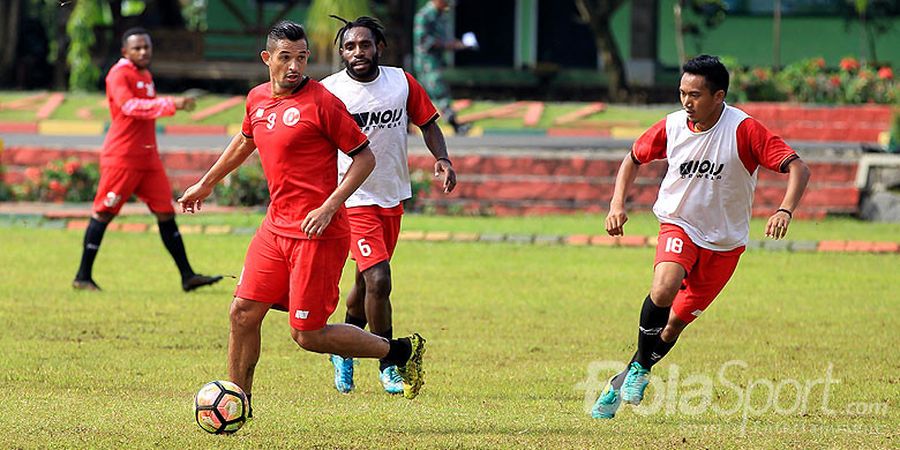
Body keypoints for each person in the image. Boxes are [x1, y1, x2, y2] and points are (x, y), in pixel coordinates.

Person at [177, 21, 427, 411]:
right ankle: (236, 404)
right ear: (267, 59)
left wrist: (330, 206)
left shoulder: (323, 102)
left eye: (302, 58)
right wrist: (207, 182)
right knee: (243, 312)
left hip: (318, 233)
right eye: (285, 58)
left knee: (307, 333)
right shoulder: (257, 99)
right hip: (275, 229)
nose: (294, 66)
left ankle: (397, 351)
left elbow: (365, 157)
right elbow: (246, 140)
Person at [591, 54, 811, 419]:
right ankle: (638, 374)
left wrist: (785, 209)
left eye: (695, 95)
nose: (686, 102)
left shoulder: (745, 130)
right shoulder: (672, 126)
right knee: (663, 287)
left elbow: (798, 168)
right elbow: (632, 158)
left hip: (725, 243)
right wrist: (617, 204)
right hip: (680, 223)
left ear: (719, 96)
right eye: (682, 93)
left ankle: (633, 372)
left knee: (674, 324)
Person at [320, 16, 457, 395]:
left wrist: (442, 158)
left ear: (379, 47)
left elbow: (427, 122)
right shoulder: (330, 91)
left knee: (366, 283)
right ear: (342, 53)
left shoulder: (400, 81)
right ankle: (389, 362)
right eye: (349, 47)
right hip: (353, 198)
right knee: (380, 280)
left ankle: (343, 350)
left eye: (364, 45)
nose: (357, 52)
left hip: (391, 195)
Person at [73, 27, 222, 292]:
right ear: (125, 51)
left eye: (146, 47)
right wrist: (171, 104)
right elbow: (129, 107)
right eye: (137, 48)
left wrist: (171, 105)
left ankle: (188, 276)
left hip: (147, 158)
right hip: (123, 157)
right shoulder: (119, 74)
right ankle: (82, 277)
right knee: (104, 212)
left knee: (166, 213)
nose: (143, 51)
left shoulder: (145, 74)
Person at [413, 0, 469, 135]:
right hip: (427, 62)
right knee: (439, 92)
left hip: (435, 61)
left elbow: (443, 37)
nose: (448, 4)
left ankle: (407, 125)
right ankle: (455, 125)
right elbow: (423, 41)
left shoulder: (440, 15)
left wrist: (456, 43)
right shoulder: (425, 15)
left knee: (417, 96)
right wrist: (448, 45)